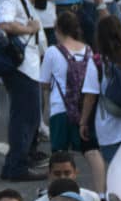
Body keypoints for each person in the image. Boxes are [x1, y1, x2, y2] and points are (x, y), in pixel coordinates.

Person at [0, 0, 47, 183]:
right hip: (21, 65)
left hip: (28, 64)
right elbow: (4, 24)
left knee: (29, 115)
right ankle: (16, 166)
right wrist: (30, 29)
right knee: (25, 117)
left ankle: (19, 162)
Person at [80, 14, 121, 163]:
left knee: (116, 170)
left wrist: (83, 122)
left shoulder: (97, 62)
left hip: (109, 127)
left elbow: (90, 96)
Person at [40, 12, 96, 158]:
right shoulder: (88, 50)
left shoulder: (52, 52)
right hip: (84, 110)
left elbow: (44, 83)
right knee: (89, 152)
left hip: (60, 109)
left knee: (59, 155)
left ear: (58, 29)